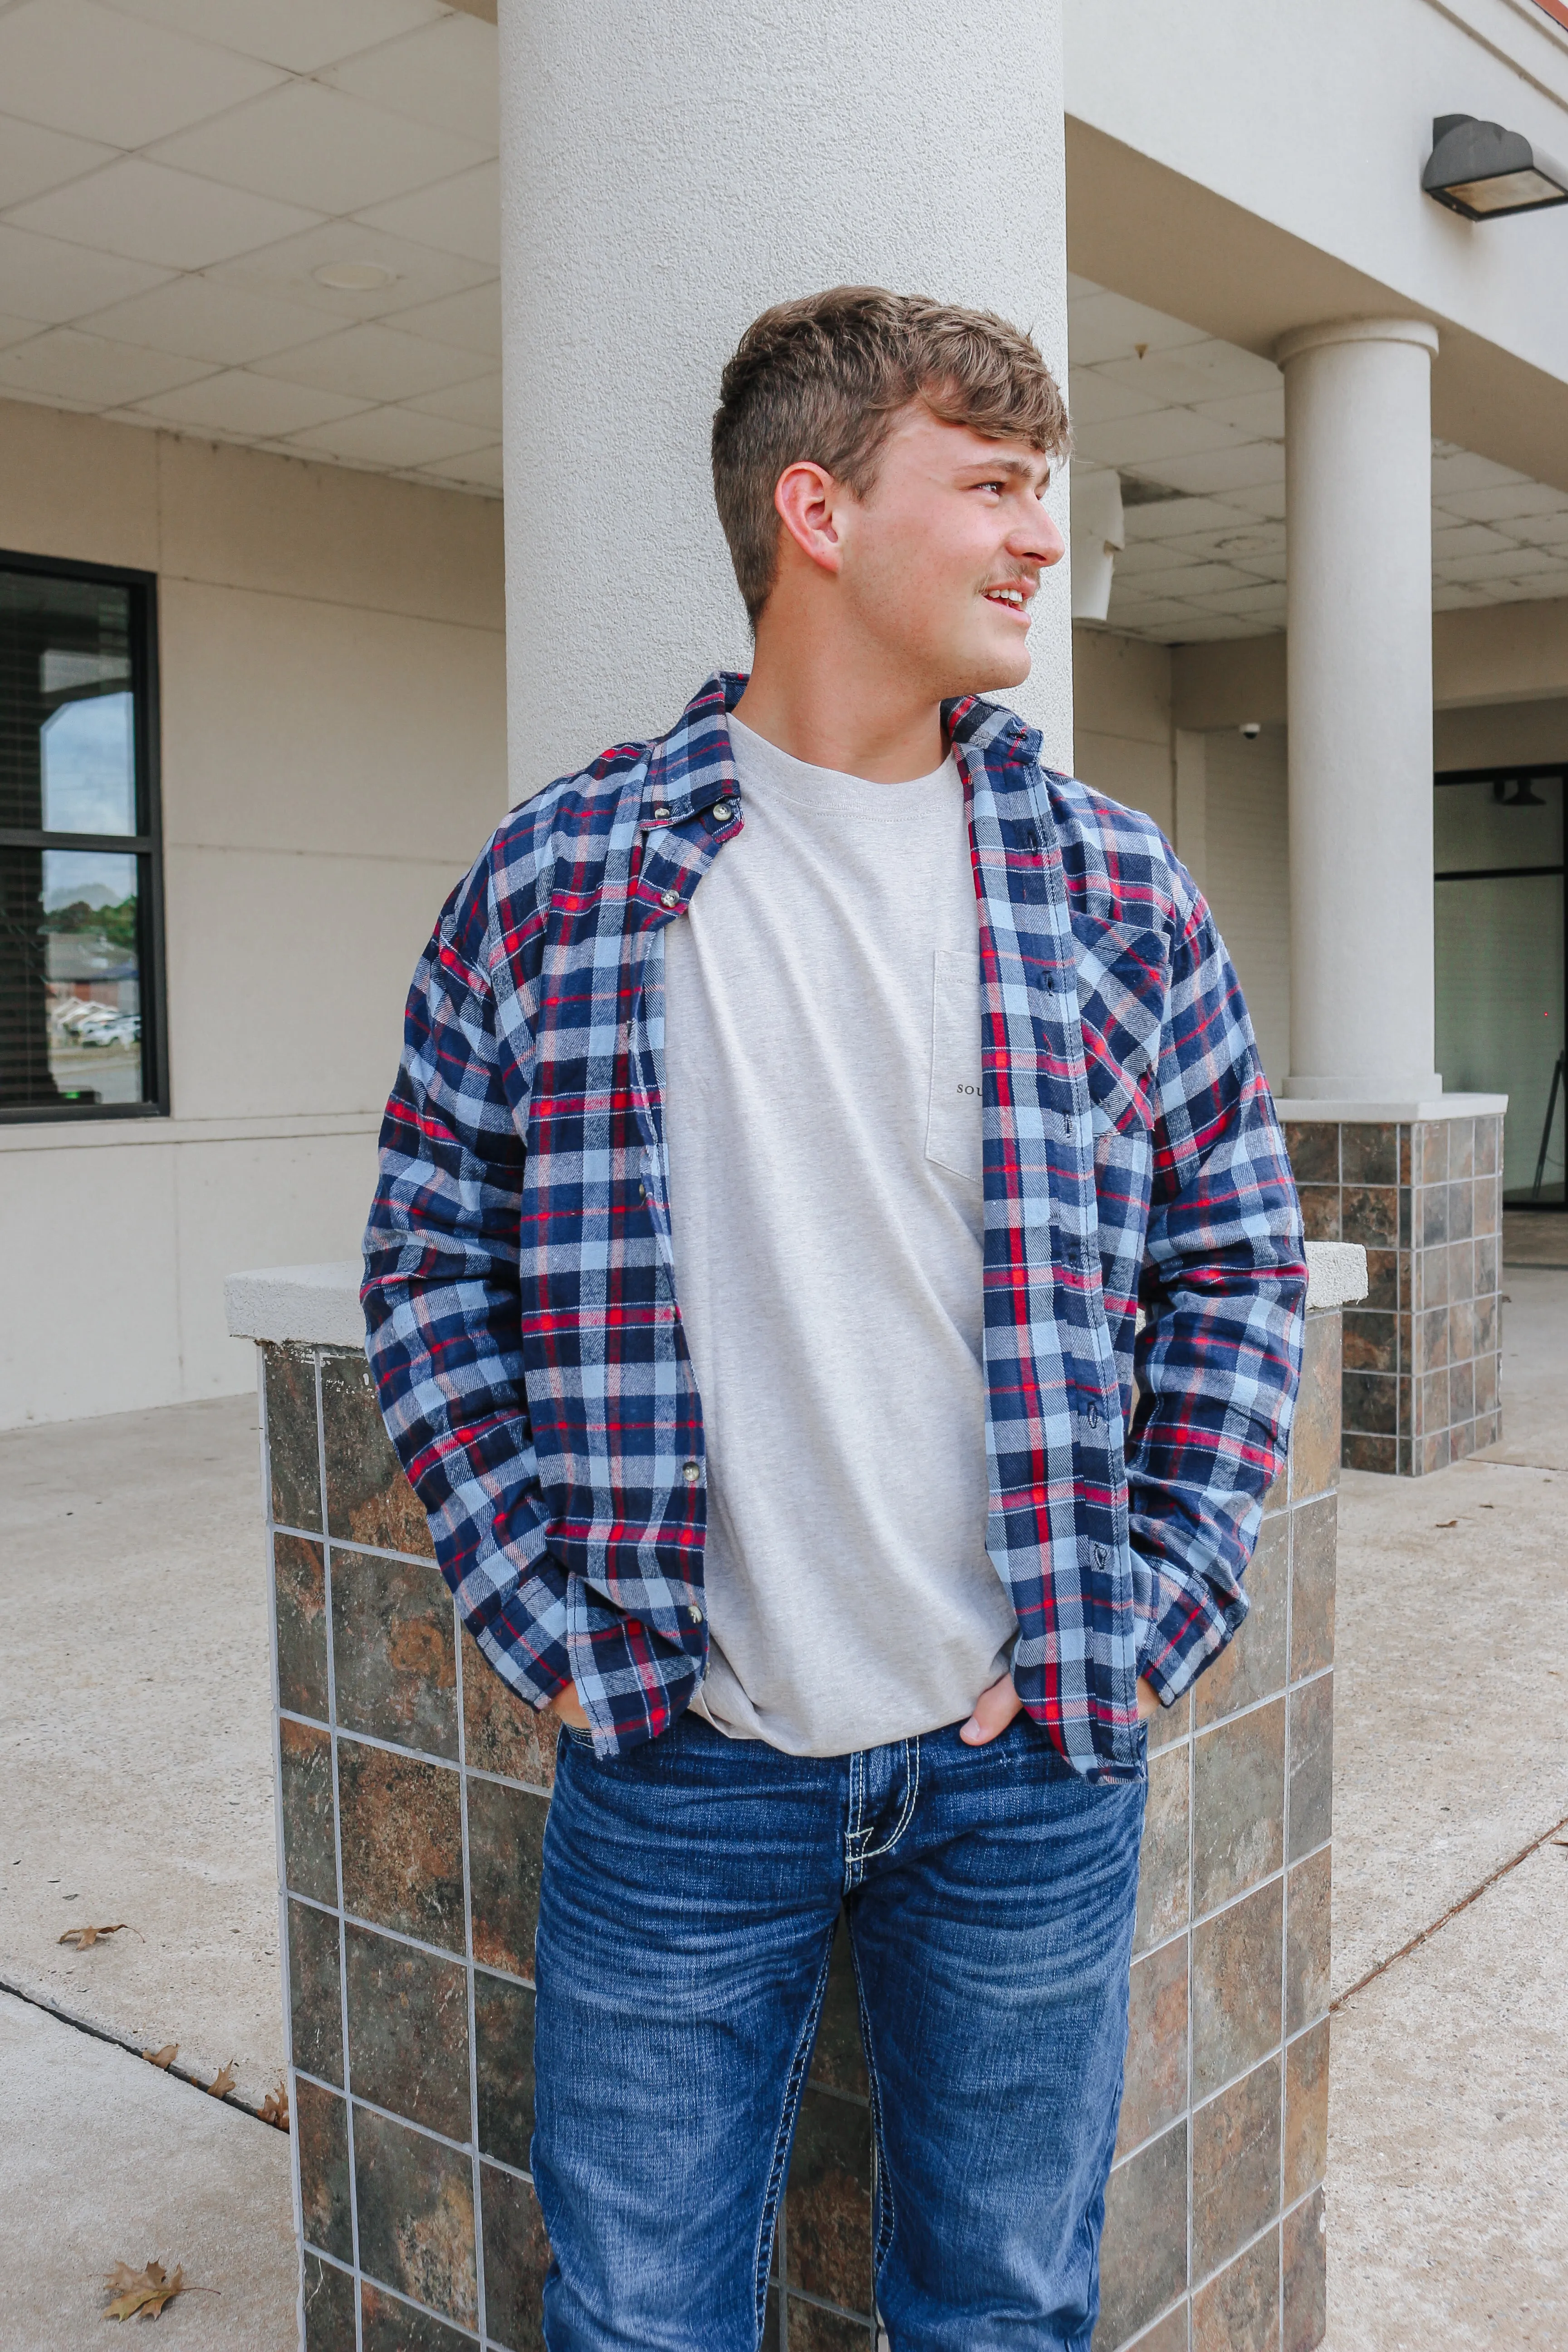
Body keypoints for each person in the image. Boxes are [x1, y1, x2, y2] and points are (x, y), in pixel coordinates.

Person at [363, 285, 1306, 2352]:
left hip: (1033, 1758)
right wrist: (553, 1619)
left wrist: (1143, 1616)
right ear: (816, 507)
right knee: (636, 2318)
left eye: (1040, 492)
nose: (1041, 538)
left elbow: (1237, 1259)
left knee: (1000, 2311)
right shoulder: (565, 881)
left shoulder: (1116, 889)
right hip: (684, 1760)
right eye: (990, 485)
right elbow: (428, 1266)